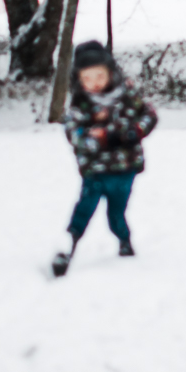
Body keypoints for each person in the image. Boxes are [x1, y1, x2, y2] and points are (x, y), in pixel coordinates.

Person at [53, 40, 159, 277]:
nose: (94, 83)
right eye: (87, 78)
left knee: (116, 213)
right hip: (95, 169)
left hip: (124, 168)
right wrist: (87, 139)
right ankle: (67, 245)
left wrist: (132, 132)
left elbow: (149, 115)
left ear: (111, 73)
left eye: (99, 76)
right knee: (85, 207)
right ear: (78, 80)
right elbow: (72, 129)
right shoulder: (81, 105)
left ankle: (124, 240)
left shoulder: (128, 96)